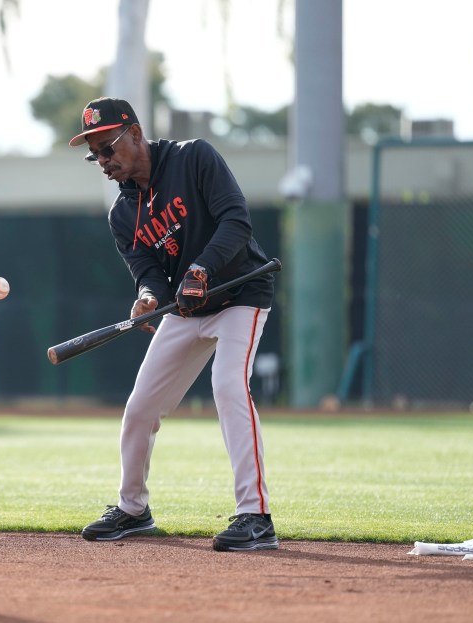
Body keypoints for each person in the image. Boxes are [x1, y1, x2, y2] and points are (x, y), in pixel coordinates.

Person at [70, 97, 279, 552]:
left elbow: (236, 220)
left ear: (136, 133)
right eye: (96, 156)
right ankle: (133, 509)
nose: (103, 162)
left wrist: (200, 270)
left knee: (228, 388)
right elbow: (148, 275)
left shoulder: (193, 157)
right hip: (188, 310)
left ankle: (255, 516)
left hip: (242, 295)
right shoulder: (123, 214)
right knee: (140, 407)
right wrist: (147, 299)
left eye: (108, 148)